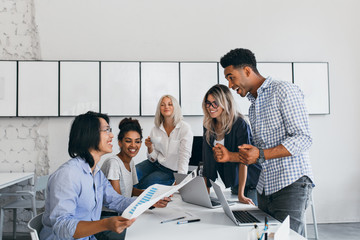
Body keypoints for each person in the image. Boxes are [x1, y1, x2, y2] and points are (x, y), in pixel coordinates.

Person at [216, 48, 314, 236]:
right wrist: (231, 156)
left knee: (288, 238)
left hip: (291, 184)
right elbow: (259, 154)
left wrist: (260, 153)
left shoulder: (284, 90)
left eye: (231, 77)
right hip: (266, 186)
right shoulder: (254, 106)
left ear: (246, 70)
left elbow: (304, 138)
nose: (229, 85)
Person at [40, 111, 169, 240]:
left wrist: (150, 201)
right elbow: (62, 227)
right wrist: (105, 224)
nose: (112, 135)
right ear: (90, 134)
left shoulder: (96, 173)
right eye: (106, 130)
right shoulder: (67, 175)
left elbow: (116, 200)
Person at [202, 84, 261, 205]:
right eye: (208, 103)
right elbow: (208, 160)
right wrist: (205, 193)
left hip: (251, 183)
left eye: (215, 103)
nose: (210, 107)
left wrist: (241, 194)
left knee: (250, 218)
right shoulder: (208, 126)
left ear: (225, 103)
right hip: (234, 182)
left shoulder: (239, 123)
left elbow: (244, 159)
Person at [136, 95, 193, 189]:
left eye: (170, 104)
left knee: (145, 184)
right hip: (153, 164)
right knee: (133, 174)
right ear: (159, 108)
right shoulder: (155, 129)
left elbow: (184, 156)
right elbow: (152, 158)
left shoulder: (184, 128)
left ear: (175, 107)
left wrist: (179, 180)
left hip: (170, 171)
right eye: (163, 105)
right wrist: (150, 148)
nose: (166, 107)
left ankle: (132, 197)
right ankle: (124, 198)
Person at [101, 118, 144, 198]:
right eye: (128, 141)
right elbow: (117, 198)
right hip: (111, 210)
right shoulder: (113, 163)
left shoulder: (131, 162)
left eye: (137, 141)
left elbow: (130, 190)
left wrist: (152, 194)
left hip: (123, 208)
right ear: (120, 142)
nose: (133, 145)